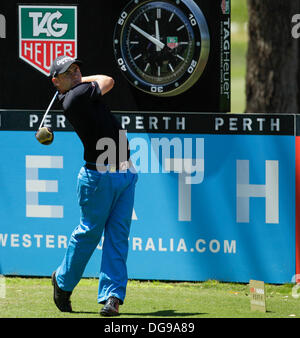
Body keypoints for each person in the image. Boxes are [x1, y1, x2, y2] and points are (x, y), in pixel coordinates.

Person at [49, 55, 137, 316]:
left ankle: (112, 298)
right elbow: (108, 80)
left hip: (124, 173)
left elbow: (98, 83)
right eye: (69, 72)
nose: (76, 73)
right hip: (97, 179)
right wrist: (79, 82)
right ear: (57, 82)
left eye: (77, 68)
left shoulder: (77, 91)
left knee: (118, 237)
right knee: (89, 234)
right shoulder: (75, 97)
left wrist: (74, 80)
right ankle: (62, 282)